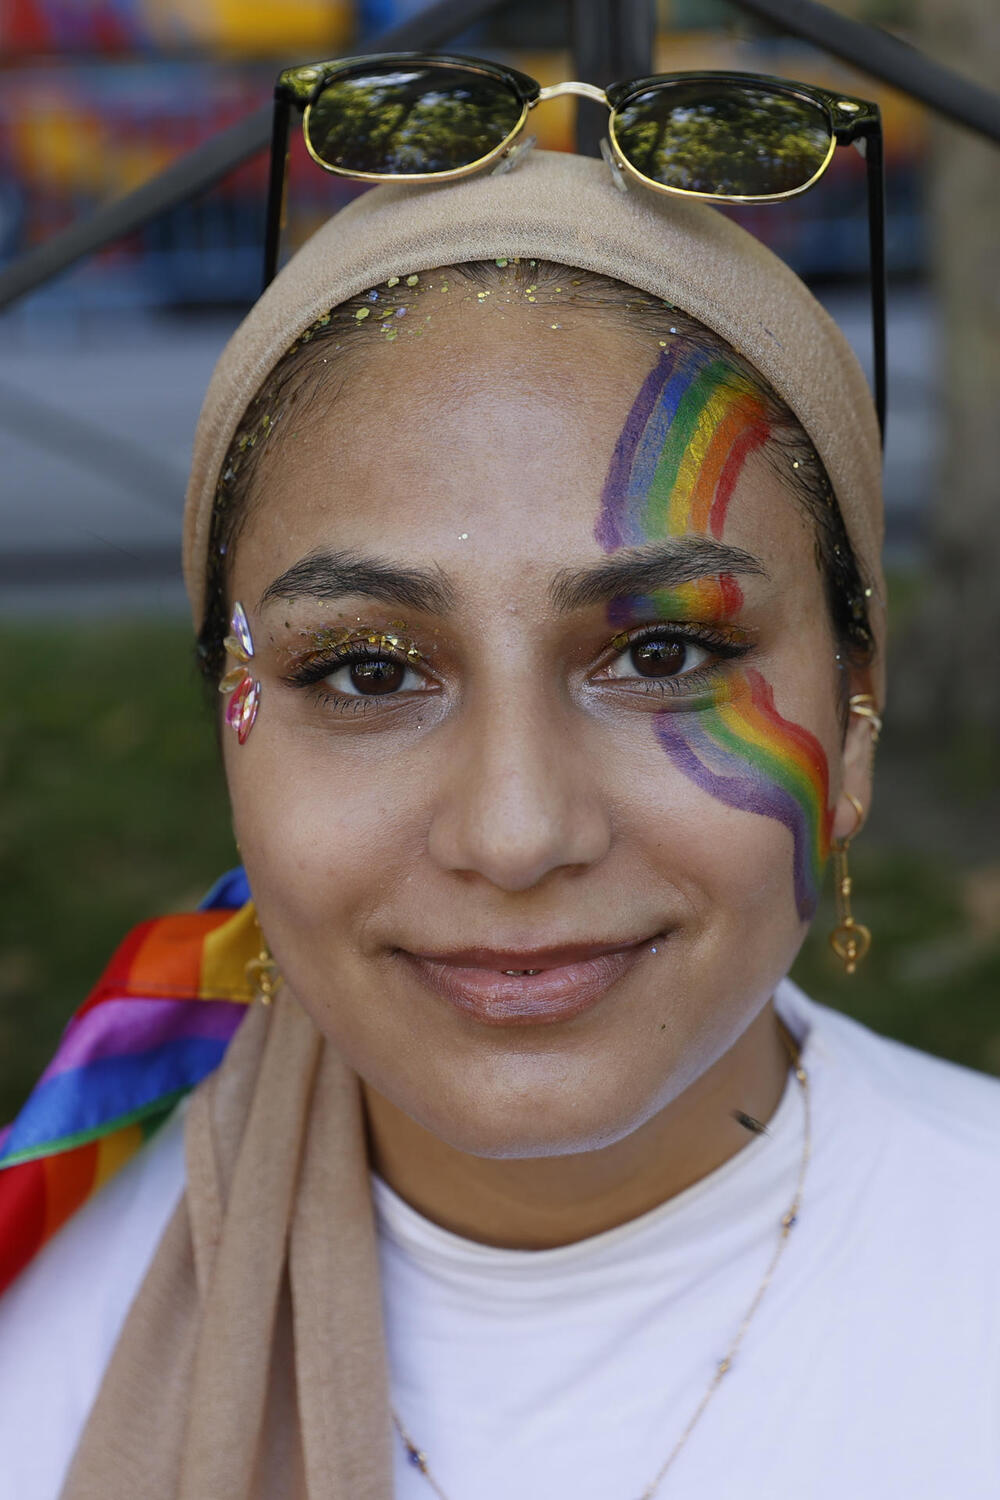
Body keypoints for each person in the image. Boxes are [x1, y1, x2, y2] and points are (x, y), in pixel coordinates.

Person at [1, 147, 999, 1500]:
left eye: (658, 657)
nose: (517, 833)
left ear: (859, 714)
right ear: (230, 724)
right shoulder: (44, 1325)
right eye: (367, 671)